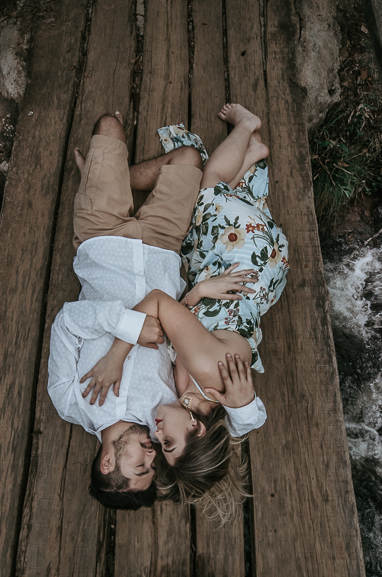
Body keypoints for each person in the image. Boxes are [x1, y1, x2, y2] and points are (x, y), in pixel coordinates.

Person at [47, 111, 264, 510]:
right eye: (155, 462)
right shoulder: (165, 417)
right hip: (164, 247)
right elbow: (225, 425)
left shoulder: (68, 400)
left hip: (100, 241)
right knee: (187, 159)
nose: (151, 454)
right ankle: (106, 178)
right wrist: (246, 407)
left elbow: (66, 322)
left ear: (108, 461)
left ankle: (102, 181)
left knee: (109, 126)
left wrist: (123, 339)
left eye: (141, 467)